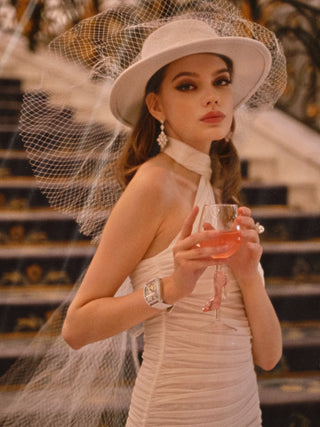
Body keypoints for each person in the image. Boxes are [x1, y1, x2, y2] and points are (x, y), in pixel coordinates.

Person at [0, 1, 287, 426]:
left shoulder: (217, 184)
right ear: (156, 106)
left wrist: (248, 274)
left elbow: (268, 356)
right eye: (187, 86)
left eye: (221, 81)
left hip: (243, 412)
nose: (212, 96)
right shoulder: (152, 186)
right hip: (173, 413)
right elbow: (76, 328)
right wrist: (171, 288)